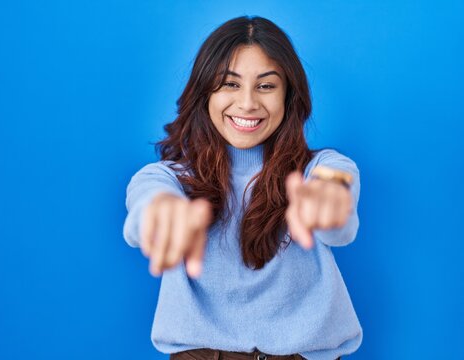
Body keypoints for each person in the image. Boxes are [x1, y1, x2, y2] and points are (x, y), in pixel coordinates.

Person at [123, 16, 362, 360]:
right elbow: (147, 202)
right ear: (204, 92)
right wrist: (159, 216)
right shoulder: (167, 177)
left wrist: (331, 204)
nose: (248, 103)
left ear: (288, 95)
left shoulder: (322, 167)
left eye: (266, 86)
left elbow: (338, 193)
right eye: (229, 84)